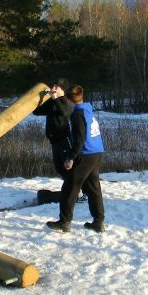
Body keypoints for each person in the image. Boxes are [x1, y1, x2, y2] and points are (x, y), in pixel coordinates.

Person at [46, 85, 106, 233]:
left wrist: (71, 157)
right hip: (96, 152)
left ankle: (64, 222)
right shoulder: (87, 109)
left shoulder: (77, 114)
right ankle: (98, 222)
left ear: (70, 100)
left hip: (86, 154)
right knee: (93, 188)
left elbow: (79, 139)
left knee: (70, 187)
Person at [33, 79, 74, 180]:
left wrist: (55, 98)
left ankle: (74, 190)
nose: (53, 89)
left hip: (64, 139)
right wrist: (40, 99)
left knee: (67, 167)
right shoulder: (52, 101)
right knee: (58, 166)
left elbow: (65, 113)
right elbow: (37, 112)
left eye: (56, 87)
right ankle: (68, 187)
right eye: (53, 86)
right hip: (54, 140)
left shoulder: (66, 101)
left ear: (62, 89)